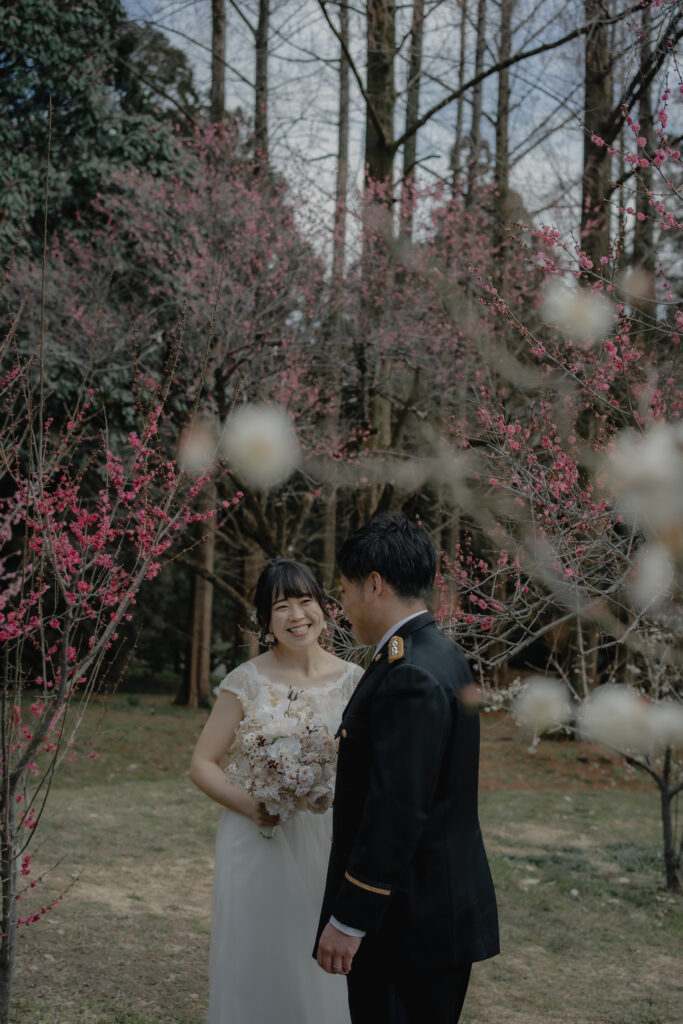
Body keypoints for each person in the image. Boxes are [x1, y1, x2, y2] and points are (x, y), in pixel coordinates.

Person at [314, 514, 499, 1024]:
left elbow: (396, 810)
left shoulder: (409, 672)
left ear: (374, 585)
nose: (343, 605)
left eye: (345, 590)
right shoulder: (439, 654)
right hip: (435, 912)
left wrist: (351, 919)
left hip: (407, 924)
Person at [190, 558, 363, 1024]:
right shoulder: (246, 681)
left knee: (319, 958)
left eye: (305, 601)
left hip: (327, 838)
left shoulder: (355, 682)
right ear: (266, 620)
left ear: (324, 608)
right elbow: (201, 764)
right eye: (281, 606)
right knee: (257, 956)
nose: (296, 615)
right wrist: (252, 805)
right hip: (257, 838)